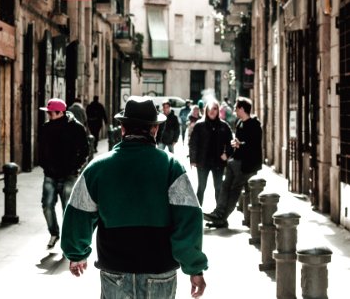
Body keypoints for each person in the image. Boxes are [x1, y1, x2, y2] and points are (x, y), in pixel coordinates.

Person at [61, 96, 208, 299]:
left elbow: (79, 213)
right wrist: (195, 268)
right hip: (159, 269)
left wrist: (76, 253)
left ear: (122, 129)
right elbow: (189, 218)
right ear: (154, 129)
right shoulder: (172, 167)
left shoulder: (97, 168)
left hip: (115, 269)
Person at [203, 97, 262, 228]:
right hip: (236, 161)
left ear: (241, 109)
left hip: (248, 165)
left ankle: (221, 218)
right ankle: (218, 213)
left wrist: (240, 145)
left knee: (234, 190)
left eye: (236, 108)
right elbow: (238, 143)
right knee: (225, 186)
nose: (234, 110)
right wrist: (234, 148)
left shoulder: (255, 125)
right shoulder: (239, 123)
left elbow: (254, 146)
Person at [38, 98, 89, 249]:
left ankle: (68, 238)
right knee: (47, 205)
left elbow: (85, 150)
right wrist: (45, 165)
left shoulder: (76, 128)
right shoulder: (46, 128)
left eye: (51, 113)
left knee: (67, 207)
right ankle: (54, 233)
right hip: (50, 175)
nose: (49, 116)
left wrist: (76, 167)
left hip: (69, 175)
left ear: (60, 113)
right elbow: (40, 151)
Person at [189, 99, 233, 207]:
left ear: (218, 110)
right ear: (206, 110)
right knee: (201, 187)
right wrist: (193, 159)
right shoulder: (199, 125)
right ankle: (197, 213)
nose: (212, 111)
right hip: (203, 162)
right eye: (210, 109)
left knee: (218, 188)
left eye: (215, 108)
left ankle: (219, 214)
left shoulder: (224, 126)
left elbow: (231, 143)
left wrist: (227, 154)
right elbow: (193, 143)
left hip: (218, 162)